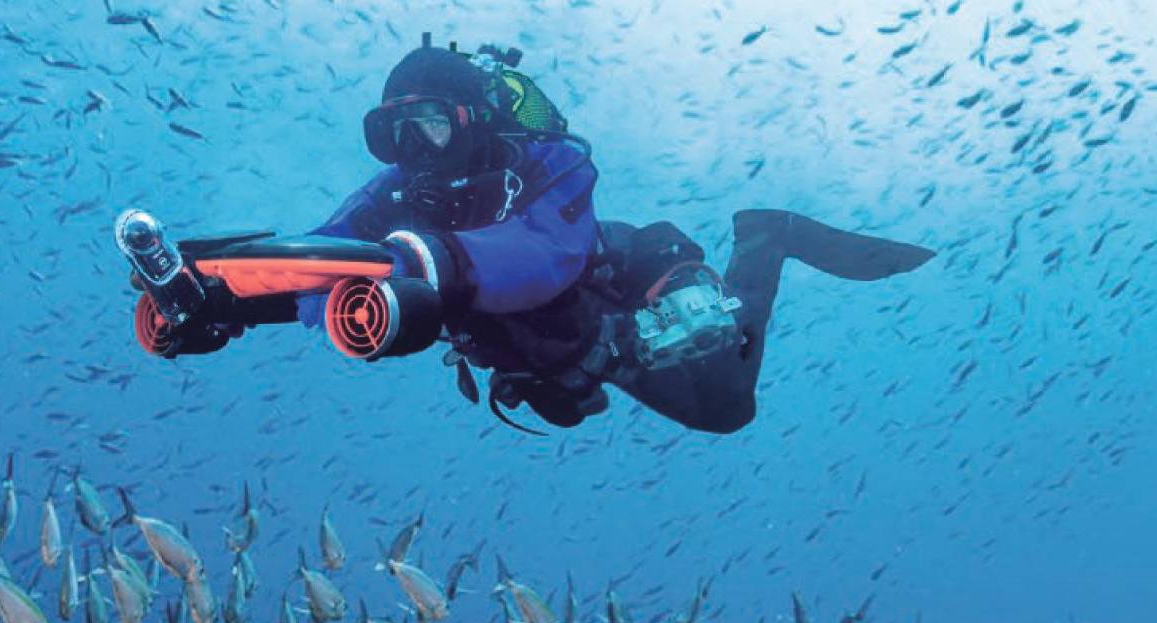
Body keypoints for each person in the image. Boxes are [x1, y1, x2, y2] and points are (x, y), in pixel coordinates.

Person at [289, 38, 935, 434]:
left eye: (426, 125)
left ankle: (766, 237)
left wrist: (416, 259)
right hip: (550, 352)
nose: (410, 149)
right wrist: (212, 289)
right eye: (390, 132)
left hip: (618, 304)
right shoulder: (394, 189)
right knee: (581, 402)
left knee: (727, 409)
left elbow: (544, 258)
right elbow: (314, 257)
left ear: (474, 120)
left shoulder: (548, 162)